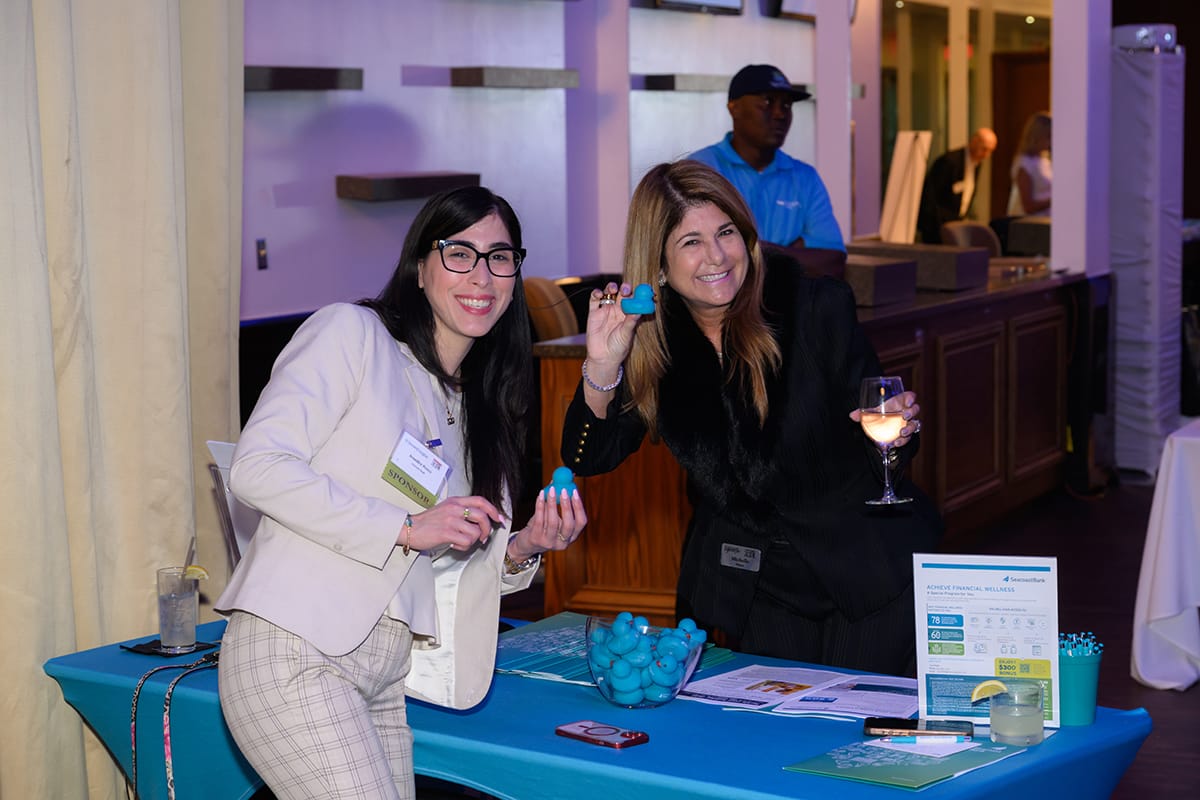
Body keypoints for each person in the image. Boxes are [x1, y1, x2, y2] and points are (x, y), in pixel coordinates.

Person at [215, 186, 587, 799]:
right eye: (459, 253)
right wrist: (406, 527)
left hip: (385, 675)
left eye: (500, 257)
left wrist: (523, 546)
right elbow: (257, 467)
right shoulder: (352, 333)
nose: (482, 276)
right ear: (419, 266)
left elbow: (447, 567)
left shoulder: (479, 407)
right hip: (295, 647)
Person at [561, 161, 942, 676]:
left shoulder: (813, 307)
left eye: (726, 233)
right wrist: (604, 365)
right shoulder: (654, 344)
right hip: (757, 583)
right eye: (691, 242)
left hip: (862, 567)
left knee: (853, 721)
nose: (717, 256)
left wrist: (898, 431)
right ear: (658, 265)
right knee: (769, 723)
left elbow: (881, 435)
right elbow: (587, 456)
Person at [689, 64, 844, 252]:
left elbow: (832, 256)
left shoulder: (805, 178)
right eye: (768, 102)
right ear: (734, 108)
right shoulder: (700, 170)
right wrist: (794, 251)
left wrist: (763, 254)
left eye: (786, 105)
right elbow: (696, 250)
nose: (780, 114)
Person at [916, 127, 998, 243]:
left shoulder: (977, 164)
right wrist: (939, 226)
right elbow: (930, 197)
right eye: (984, 149)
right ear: (974, 141)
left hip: (956, 225)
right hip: (938, 227)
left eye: (990, 151)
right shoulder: (950, 162)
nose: (986, 155)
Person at [1007, 111, 1052, 217]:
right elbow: (1028, 206)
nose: (1051, 141)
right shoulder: (1024, 164)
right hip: (1031, 222)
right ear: (1037, 136)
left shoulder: (1045, 161)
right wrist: (1054, 200)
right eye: (1048, 137)